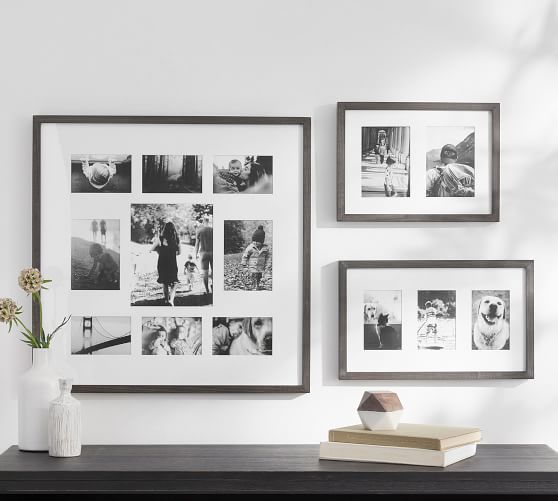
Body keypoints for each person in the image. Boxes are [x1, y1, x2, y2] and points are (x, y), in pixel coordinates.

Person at [151, 221, 181, 306]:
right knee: (174, 282)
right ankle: (171, 300)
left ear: (165, 229)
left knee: (165, 282)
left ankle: (166, 300)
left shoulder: (160, 238)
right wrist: (172, 252)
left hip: (162, 262)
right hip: (172, 262)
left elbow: (153, 248)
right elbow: (179, 253)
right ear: (173, 229)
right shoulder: (177, 239)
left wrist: (161, 252)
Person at [241, 225, 271, 291]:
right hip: (252, 267)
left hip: (260, 267)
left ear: (261, 241)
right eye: (254, 241)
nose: (255, 242)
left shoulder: (265, 249)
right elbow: (245, 256)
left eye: (257, 241)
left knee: (259, 277)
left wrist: (268, 266)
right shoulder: (250, 248)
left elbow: (268, 258)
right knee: (253, 276)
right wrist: (244, 265)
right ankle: (254, 286)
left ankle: (257, 285)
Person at [194, 215, 213, 295]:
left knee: (205, 273)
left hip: (203, 253)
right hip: (213, 252)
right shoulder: (213, 230)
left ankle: (207, 290)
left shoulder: (199, 230)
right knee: (213, 271)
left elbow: (197, 244)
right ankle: (213, 287)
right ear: (209, 221)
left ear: (203, 221)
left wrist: (196, 254)